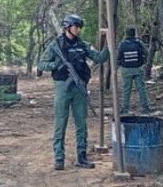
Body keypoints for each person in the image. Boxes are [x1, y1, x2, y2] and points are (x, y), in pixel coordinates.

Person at [38, 14, 109, 171]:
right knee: (60, 123)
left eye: (79, 27)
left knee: (81, 123)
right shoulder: (56, 45)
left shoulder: (83, 45)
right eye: (76, 26)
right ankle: (59, 158)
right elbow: (42, 64)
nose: (79, 30)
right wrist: (57, 65)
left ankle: (82, 157)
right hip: (62, 87)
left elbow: (99, 58)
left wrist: (109, 44)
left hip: (79, 87)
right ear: (68, 27)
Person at [118, 26, 152, 115]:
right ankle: (146, 107)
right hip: (138, 68)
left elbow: (118, 57)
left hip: (126, 69)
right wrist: (143, 60)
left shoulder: (122, 44)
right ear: (134, 33)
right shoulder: (139, 43)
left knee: (126, 89)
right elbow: (147, 52)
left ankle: (125, 109)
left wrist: (119, 64)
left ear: (126, 34)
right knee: (141, 88)